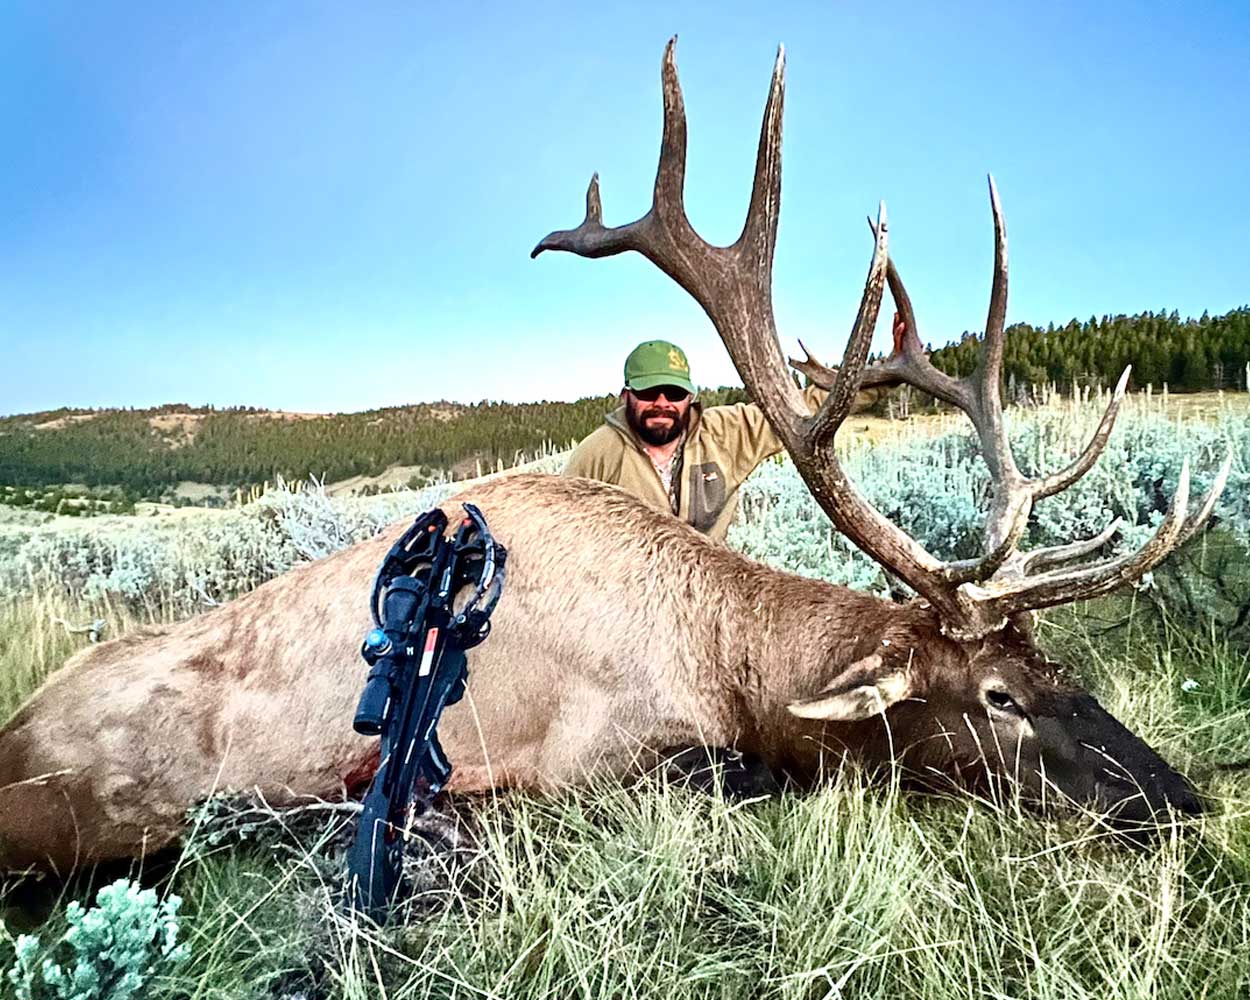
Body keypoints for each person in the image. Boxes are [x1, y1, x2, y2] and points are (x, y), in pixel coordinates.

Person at [563, 339, 827, 542]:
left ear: (690, 397)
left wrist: (861, 388)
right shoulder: (595, 456)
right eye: (649, 392)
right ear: (625, 395)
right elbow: (560, 533)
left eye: (675, 393)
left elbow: (802, 409)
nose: (662, 403)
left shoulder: (726, 433)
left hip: (711, 590)